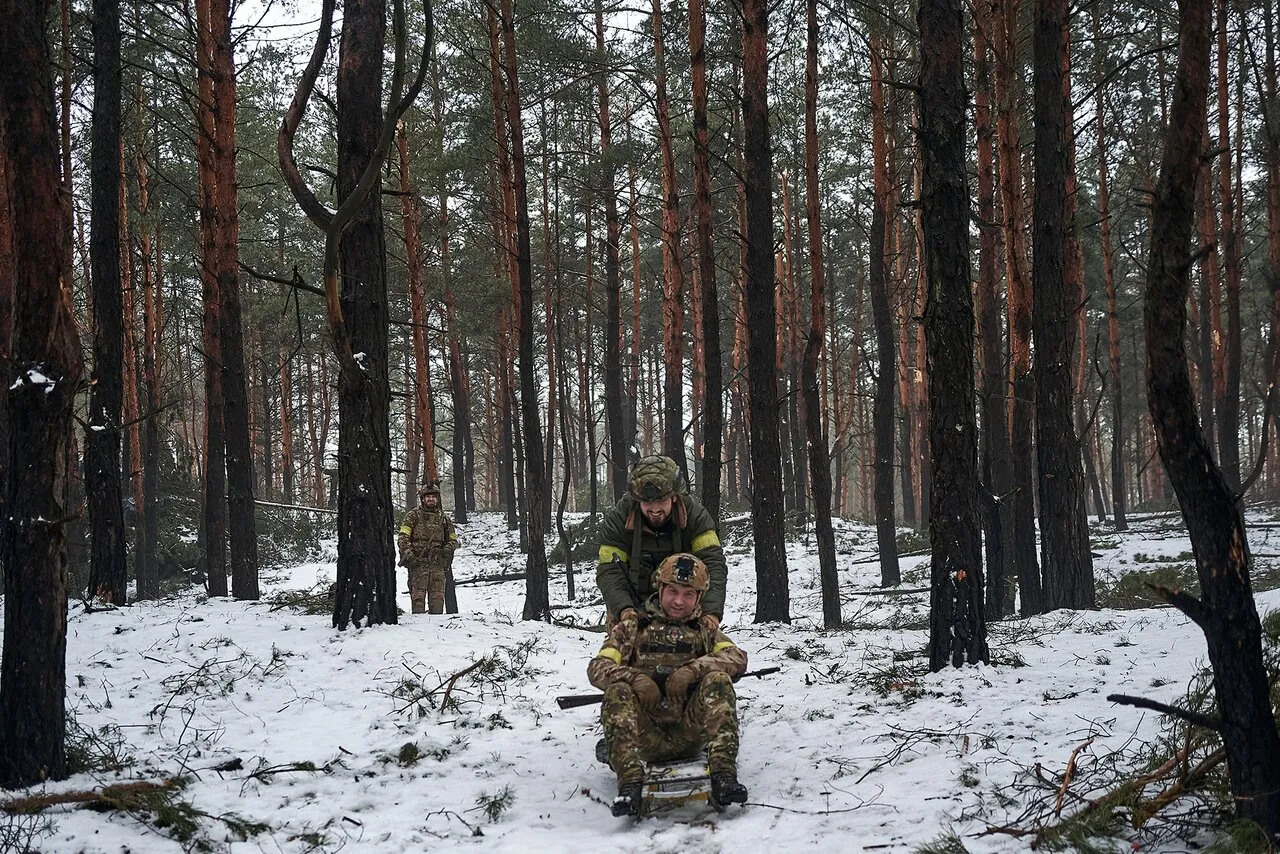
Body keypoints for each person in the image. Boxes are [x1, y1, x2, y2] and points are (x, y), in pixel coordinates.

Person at [588, 553, 749, 816]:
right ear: (659, 588)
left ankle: (724, 776)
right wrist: (635, 679)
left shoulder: (704, 630)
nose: (678, 601)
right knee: (617, 691)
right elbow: (597, 668)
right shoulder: (632, 628)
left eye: (688, 594)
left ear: (699, 597)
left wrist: (693, 671)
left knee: (718, 680)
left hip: (690, 733)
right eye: (672, 591)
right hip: (645, 737)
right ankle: (629, 783)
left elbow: (737, 658)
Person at [597, 455, 728, 633]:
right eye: (648, 502)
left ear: (674, 497)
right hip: (632, 601)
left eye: (661, 501)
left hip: (682, 600)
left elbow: (713, 563)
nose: (655, 509)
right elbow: (609, 571)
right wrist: (624, 609)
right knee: (621, 646)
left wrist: (711, 613)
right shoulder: (618, 519)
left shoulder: (695, 516)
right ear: (637, 499)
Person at [397, 482, 458, 614]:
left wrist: (448, 549)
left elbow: (453, 540)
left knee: (437, 602)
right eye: (428, 496)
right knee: (418, 601)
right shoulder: (413, 515)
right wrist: (409, 554)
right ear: (423, 498)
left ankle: (436, 633)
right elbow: (403, 537)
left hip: (438, 565)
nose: (431, 499)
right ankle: (419, 632)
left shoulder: (444, 519)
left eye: (433, 497)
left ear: (437, 498)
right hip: (418, 564)